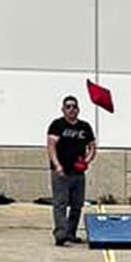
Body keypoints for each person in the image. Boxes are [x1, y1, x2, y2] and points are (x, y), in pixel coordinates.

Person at [46, 94, 96, 246]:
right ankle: (61, 235)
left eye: (74, 106)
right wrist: (57, 165)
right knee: (60, 204)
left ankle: (71, 233)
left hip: (78, 173)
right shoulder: (57, 125)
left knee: (77, 204)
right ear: (63, 109)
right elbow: (51, 146)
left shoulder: (85, 127)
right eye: (68, 107)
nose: (71, 109)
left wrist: (86, 161)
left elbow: (92, 147)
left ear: (78, 109)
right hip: (61, 172)